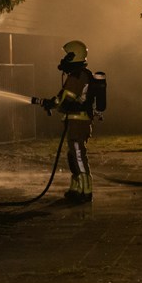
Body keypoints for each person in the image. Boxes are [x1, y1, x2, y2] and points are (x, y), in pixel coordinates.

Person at [33, 40, 99, 203]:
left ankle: (86, 190)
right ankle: (76, 188)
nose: (63, 59)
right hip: (75, 121)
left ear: (73, 56)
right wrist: (50, 102)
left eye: (66, 55)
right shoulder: (78, 74)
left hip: (78, 121)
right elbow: (64, 96)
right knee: (73, 155)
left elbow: (64, 97)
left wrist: (51, 103)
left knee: (77, 154)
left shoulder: (78, 76)